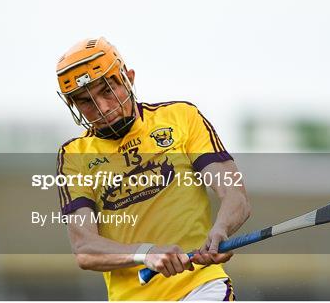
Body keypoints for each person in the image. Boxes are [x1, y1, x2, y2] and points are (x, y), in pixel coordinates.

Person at [55, 37, 250, 300]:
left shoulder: (182, 118)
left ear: (129, 78)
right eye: (85, 101)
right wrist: (144, 253)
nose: (102, 108)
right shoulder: (74, 156)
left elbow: (234, 195)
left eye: (107, 91)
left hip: (200, 288)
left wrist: (221, 228)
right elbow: (85, 247)